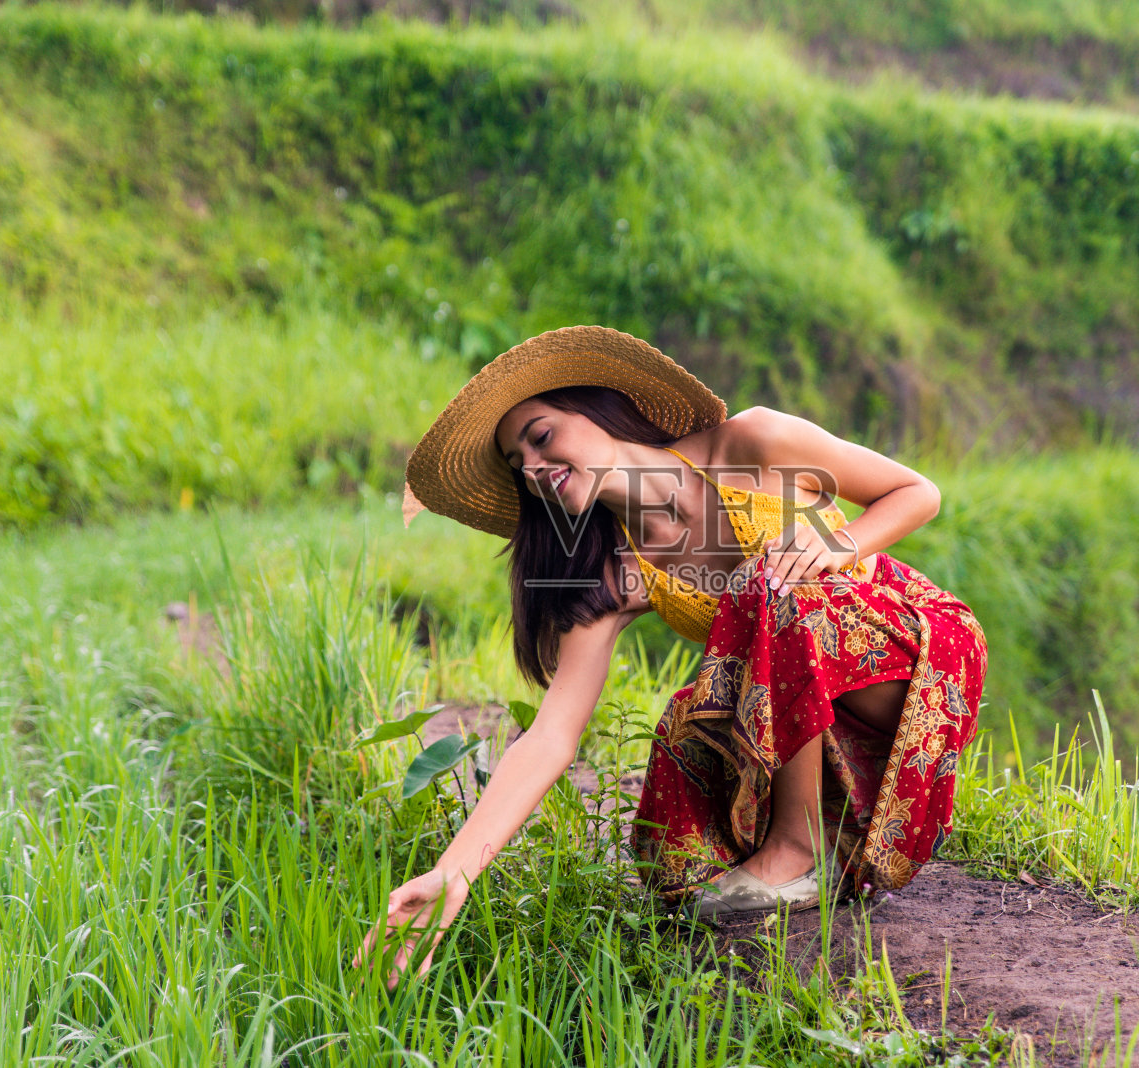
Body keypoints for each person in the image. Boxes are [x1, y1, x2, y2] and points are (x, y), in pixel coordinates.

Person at [354, 326, 986, 988]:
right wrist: (453, 873)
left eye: (542, 436)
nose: (535, 467)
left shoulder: (754, 443)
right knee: (683, 741)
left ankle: (800, 849)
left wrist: (842, 545)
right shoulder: (615, 572)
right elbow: (550, 735)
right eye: (520, 464)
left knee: (769, 587)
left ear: (598, 411)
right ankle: (815, 845)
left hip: (916, 664)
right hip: (813, 711)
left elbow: (918, 492)